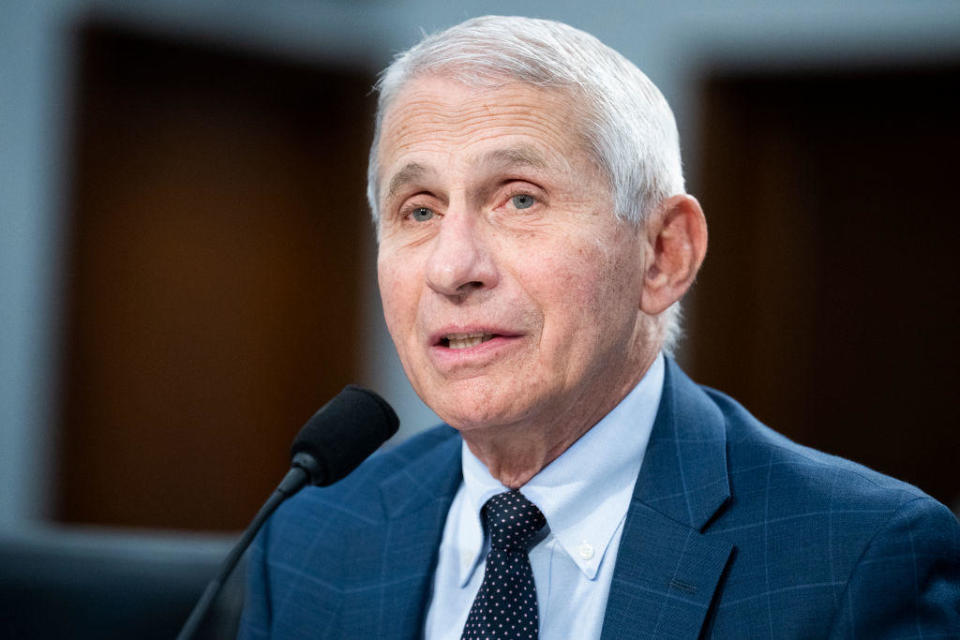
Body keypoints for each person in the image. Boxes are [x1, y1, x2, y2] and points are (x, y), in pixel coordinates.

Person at [237, 16, 960, 639]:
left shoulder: (855, 560)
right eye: (419, 211)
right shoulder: (311, 539)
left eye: (518, 199)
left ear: (663, 254)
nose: (452, 268)